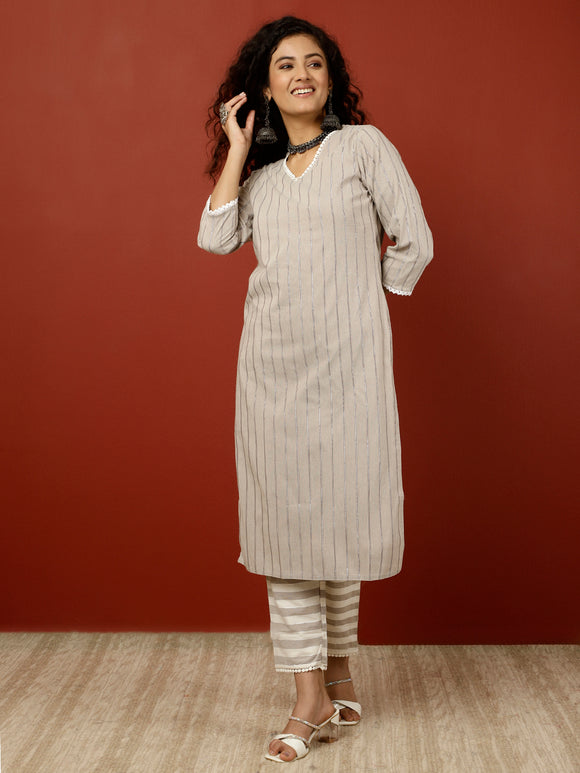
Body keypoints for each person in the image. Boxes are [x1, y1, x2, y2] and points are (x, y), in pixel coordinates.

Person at [197, 16, 433, 763]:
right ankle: (311, 695)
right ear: (264, 88)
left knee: (337, 521)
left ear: (331, 79)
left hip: (350, 369)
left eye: (315, 63)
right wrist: (239, 148)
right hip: (272, 370)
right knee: (287, 528)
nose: (302, 74)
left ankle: (335, 671)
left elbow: (415, 238)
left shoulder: (364, 147)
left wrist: (367, 302)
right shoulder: (262, 179)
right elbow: (214, 237)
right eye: (285, 66)